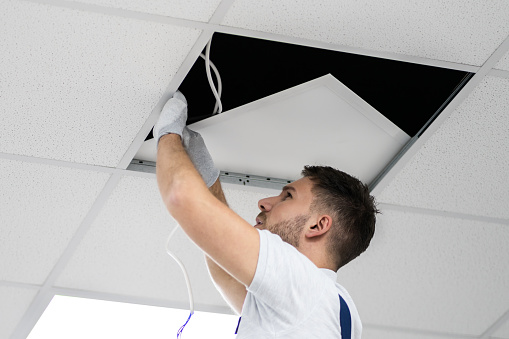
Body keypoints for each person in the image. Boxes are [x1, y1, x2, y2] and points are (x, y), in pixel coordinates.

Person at [154, 91, 379, 338]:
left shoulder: (303, 286)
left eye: (287, 196)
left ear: (318, 225)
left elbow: (181, 197)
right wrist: (206, 175)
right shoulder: (334, 309)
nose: (263, 203)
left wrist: (167, 135)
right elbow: (227, 273)